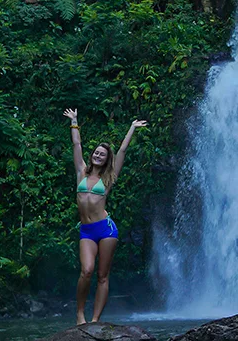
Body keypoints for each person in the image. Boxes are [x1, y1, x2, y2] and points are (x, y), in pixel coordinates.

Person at [63, 108, 147, 325]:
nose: (98, 155)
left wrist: (132, 128)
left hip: (106, 228)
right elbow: (76, 146)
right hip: (87, 230)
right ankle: (80, 314)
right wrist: (74, 121)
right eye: (96, 153)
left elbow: (122, 151)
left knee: (102, 275)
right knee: (86, 270)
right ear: (92, 156)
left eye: (103, 154)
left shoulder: (109, 177)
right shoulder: (81, 171)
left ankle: (95, 320)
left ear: (106, 159)